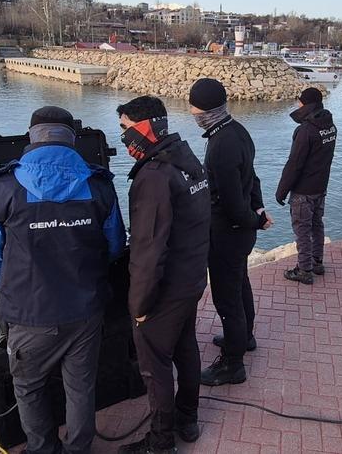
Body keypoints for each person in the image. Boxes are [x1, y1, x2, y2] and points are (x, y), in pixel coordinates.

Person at [0, 106, 126, 454]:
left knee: (28, 387)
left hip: (28, 313)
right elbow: (116, 244)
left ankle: (42, 449)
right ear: (71, 138)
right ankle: (78, 448)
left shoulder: (3, 186)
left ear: (32, 136)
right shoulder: (99, 184)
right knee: (81, 387)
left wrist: (1, 291)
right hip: (86, 309)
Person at [116, 96, 210, 454]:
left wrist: (139, 304)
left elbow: (148, 250)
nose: (123, 139)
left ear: (144, 128)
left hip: (166, 288)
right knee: (186, 349)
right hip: (191, 279)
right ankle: (188, 419)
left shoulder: (154, 177)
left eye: (125, 129)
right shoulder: (187, 160)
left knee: (155, 366)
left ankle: (160, 441)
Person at [187, 78, 271, 386]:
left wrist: (253, 219)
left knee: (227, 299)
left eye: (193, 106)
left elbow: (234, 202)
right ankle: (244, 338)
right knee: (240, 283)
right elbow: (253, 178)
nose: (191, 111)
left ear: (204, 109)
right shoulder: (237, 130)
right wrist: (259, 212)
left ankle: (232, 365)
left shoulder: (221, 144)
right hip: (240, 233)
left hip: (227, 233)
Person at [275, 87, 337, 285]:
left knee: (302, 229)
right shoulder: (330, 126)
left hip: (303, 190)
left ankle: (304, 270)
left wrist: (281, 191)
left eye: (300, 101)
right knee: (317, 225)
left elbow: (294, 164)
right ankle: (317, 262)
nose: (297, 104)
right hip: (321, 187)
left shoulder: (306, 130)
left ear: (306, 104)